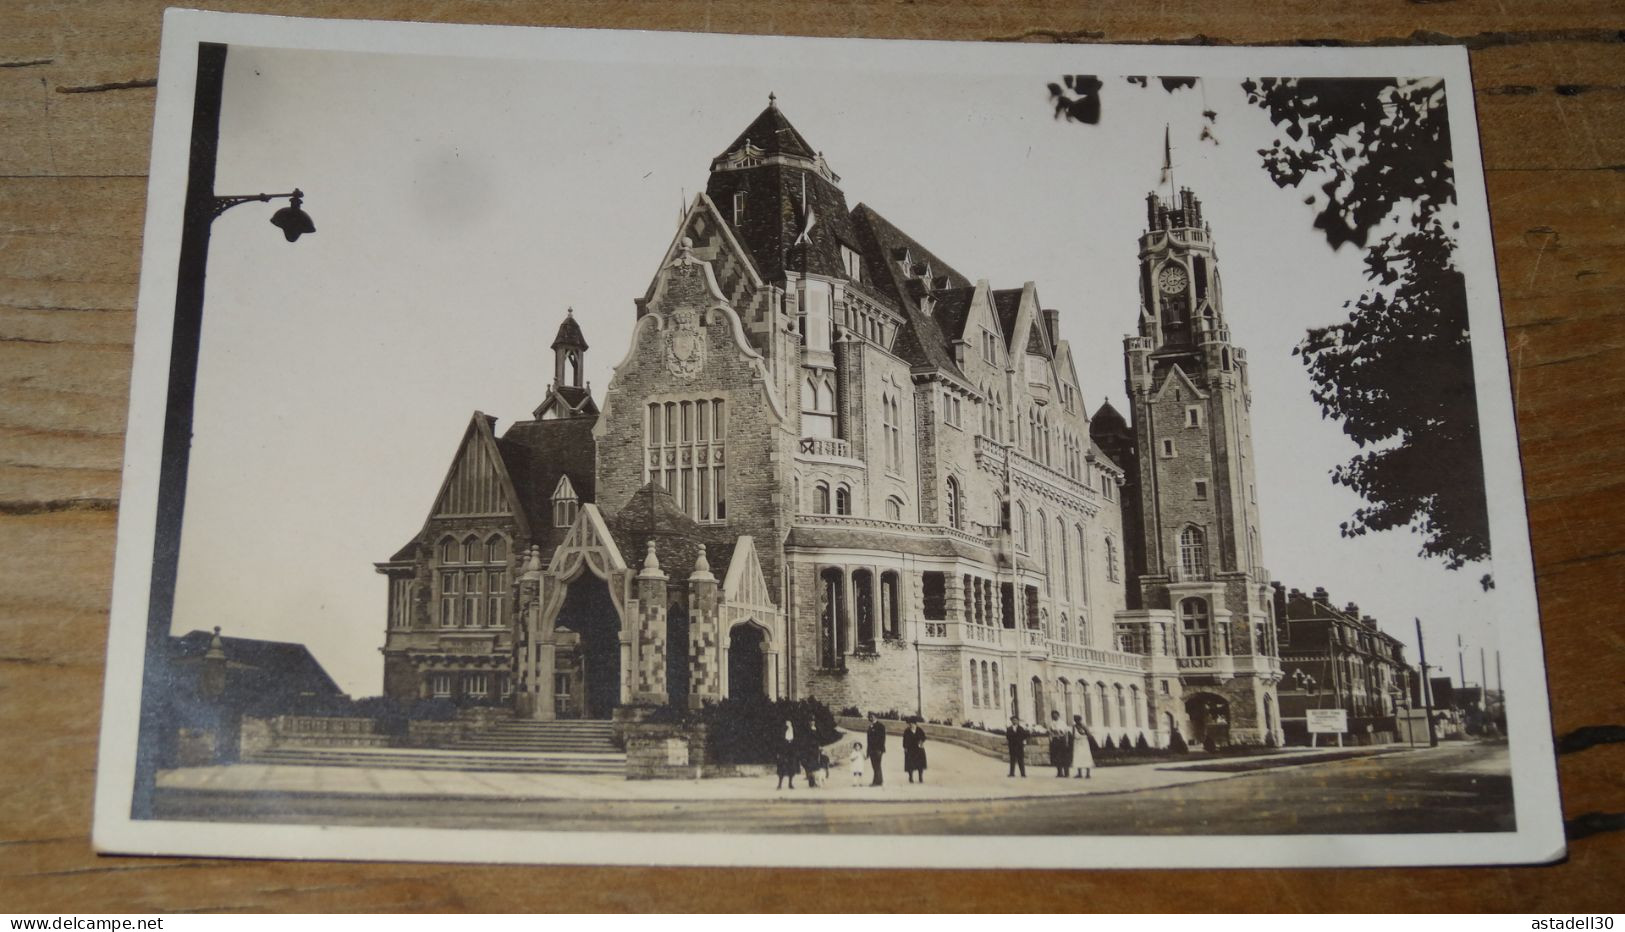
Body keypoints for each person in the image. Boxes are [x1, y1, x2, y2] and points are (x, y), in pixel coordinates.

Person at [902, 718, 928, 783]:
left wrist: (921, 742)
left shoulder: (919, 730)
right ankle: (911, 777)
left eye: (912, 724)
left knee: (920, 765)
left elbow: (924, 737)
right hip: (910, 750)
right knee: (910, 764)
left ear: (915, 724)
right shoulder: (907, 731)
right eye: (910, 724)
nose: (911, 725)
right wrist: (905, 748)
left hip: (919, 749)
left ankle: (920, 777)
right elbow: (904, 740)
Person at [1048, 709, 1072, 777]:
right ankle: (1059, 772)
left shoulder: (1062, 723)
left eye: (1055, 715)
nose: (1054, 716)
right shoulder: (1051, 723)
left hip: (1062, 740)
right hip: (1055, 741)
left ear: (1058, 715)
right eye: (1053, 715)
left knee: (1064, 757)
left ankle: (1066, 773)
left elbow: (1066, 733)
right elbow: (1050, 732)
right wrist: (1051, 739)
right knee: (1057, 757)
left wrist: (1066, 742)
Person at [866, 712, 887, 786]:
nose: (870, 718)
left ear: (875, 717)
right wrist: (868, 751)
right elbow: (868, 740)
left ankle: (876, 782)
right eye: (869, 717)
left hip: (878, 749)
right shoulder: (870, 726)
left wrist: (880, 750)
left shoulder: (881, 726)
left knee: (877, 765)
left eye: (871, 716)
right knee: (874, 765)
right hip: (871, 750)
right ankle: (879, 780)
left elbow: (882, 739)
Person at [1071, 714, 1094, 779]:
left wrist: (1083, 733)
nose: (1077, 721)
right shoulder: (1074, 726)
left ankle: (1088, 773)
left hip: (1084, 743)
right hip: (1077, 743)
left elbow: (1089, 735)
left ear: (1080, 720)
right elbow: (1073, 735)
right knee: (1077, 757)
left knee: (1086, 756)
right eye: (1075, 720)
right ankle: (1079, 773)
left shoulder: (1084, 726)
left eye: (1078, 720)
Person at [776, 719, 798, 790]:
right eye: (787, 723)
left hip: (791, 752)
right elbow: (779, 742)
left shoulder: (793, 731)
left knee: (791, 768)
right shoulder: (782, 732)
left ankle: (790, 784)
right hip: (783, 752)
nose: (788, 724)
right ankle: (779, 784)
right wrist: (778, 752)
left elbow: (796, 741)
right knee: (782, 768)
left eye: (790, 723)